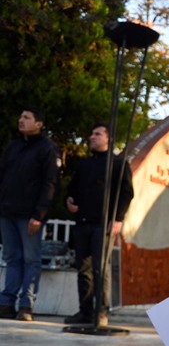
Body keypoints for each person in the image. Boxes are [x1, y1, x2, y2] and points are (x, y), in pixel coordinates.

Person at [64, 123, 135, 327]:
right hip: (83, 223)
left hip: (103, 224)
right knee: (83, 269)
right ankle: (85, 312)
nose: (91, 137)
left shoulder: (119, 164)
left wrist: (118, 219)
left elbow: (127, 193)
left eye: (97, 134)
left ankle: (101, 312)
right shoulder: (84, 164)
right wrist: (69, 200)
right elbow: (72, 188)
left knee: (100, 268)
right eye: (91, 133)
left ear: (108, 139)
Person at [0, 107, 61, 322]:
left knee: (30, 259)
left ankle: (26, 305)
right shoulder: (13, 146)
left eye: (26, 117)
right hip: (7, 212)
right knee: (11, 258)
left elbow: (50, 183)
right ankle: (6, 303)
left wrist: (39, 213)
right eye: (20, 116)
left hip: (30, 215)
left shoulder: (48, 149)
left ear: (39, 124)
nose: (20, 120)